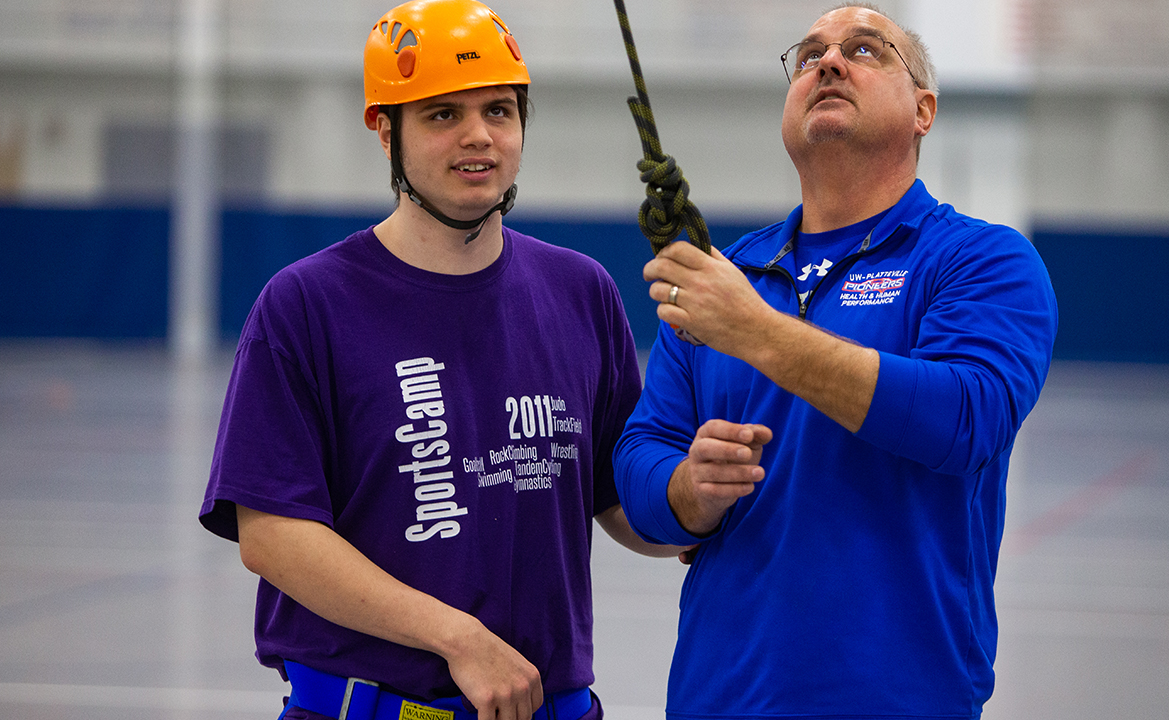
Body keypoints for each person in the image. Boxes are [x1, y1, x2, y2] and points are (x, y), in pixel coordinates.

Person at [199, 2, 679, 719]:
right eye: (442, 115)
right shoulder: (306, 305)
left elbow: (622, 504)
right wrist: (458, 638)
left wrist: (694, 497)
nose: (479, 136)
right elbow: (272, 537)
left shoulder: (581, 292)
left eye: (499, 110)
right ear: (383, 130)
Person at [613, 3, 1058, 719]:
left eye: (865, 49)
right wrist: (687, 492)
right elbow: (641, 457)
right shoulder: (732, 277)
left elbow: (966, 417)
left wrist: (761, 333)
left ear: (924, 109)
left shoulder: (980, 261)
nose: (827, 62)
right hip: (717, 699)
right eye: (808, 55)